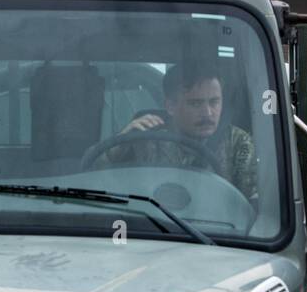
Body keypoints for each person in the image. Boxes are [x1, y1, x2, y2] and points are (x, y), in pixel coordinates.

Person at [97, 61, 258, 200]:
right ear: (170, 106)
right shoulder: (145, 136)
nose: (208, 113)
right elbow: (93, 177)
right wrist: (120, 143)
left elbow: (252, 205)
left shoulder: (238, 142)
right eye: (196, 103)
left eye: (214, 102)